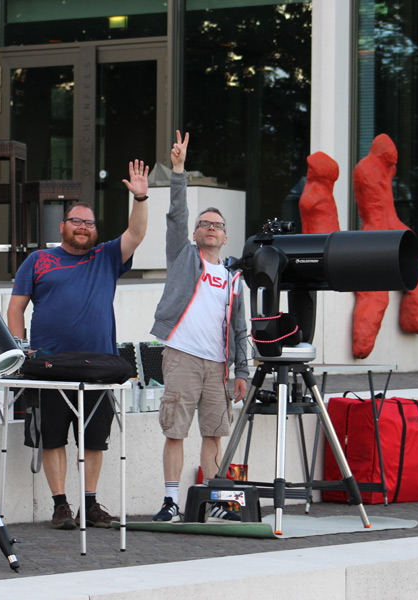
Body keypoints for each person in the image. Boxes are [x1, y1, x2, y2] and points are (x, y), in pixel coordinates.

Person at [7, 160, 149, 529]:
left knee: (94, 440)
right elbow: (16, 307)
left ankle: (90, 503)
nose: (84, 227)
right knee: (53, 438)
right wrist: (21, 349)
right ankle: (60, 506)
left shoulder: (107, 258)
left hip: (99, 366)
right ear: (62, 226)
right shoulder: (38, 260)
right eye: (77, 221)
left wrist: (141, 197)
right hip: (50, 364)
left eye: (89, 223)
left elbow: (136, 233)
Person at [150, 131, 249, 523]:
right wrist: (178, 171)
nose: (210, 227)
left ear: (225, 237)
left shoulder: (233, 277)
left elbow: (240, 329)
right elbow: (176, 214)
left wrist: (243, 371)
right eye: (204, 223)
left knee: (214, 434)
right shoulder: (183, 256)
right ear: (195, 234)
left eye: (217, 225)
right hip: (183, 357)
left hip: (218, 366)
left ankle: (217, 501)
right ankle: (171, 502)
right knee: (175, 431)